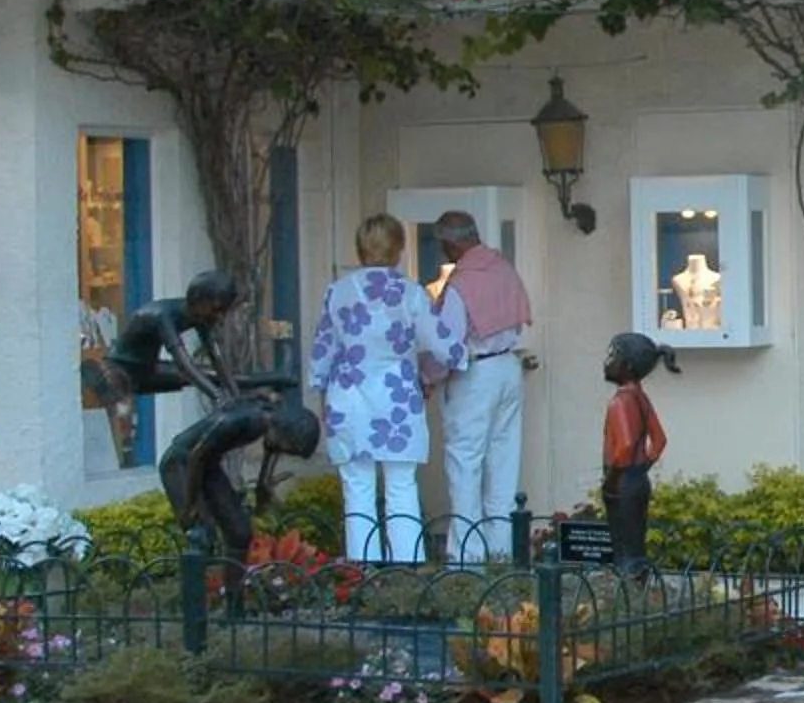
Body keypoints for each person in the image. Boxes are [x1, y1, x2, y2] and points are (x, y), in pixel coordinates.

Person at [309, 213, 462, 563]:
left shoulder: (339, 291)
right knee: (401, 485)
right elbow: (441, 341)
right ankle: (406, 569)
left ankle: (363, 570)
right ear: (398, 248)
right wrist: (462, 355)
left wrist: (318, 383)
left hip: (348, 397)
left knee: (357, 488)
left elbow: (323, 349)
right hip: (396, 398)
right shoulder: (408, 293)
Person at [428, 210, 532, 564]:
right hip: (508, 366)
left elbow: (447, 344)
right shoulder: (504, 268)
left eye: (442, 244)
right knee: (504, 462)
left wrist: (426, 378)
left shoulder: (461, 283)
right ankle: (501, 550)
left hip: (475, 373)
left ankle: (467, 556)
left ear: (451, 241)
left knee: (465, 462)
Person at [160, 389, 321, 562]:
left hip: (208, 464)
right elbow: (196, 455)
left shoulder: (271, 423)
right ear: (285, 431)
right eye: (287, 447)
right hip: (181, 463)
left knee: (240, 533)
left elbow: (271, 450)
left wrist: (262, 487)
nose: (283, 451)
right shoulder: (240, 420)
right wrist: (190, 504)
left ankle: (233, 588)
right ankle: (193, 587)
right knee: (201, 534)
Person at [97, 270, 239, 408]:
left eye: (223, 311)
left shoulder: (199, 316)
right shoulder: (162, 316)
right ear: (199, 300)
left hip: (147, 368)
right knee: (121, 413)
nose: (220, 317)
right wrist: (218, 396)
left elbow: (216, 358)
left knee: (231, 377)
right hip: (120, 371)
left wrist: (236, 395)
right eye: (216, 309)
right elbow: (185, 365)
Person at [601, 332, 672, 572]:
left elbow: (626, 444)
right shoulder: (640, 397)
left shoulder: (619, 402)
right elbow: (659, 440)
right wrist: (642, 467)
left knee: (623, 552)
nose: (606, 362)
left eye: (612, 356)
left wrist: (613, 479)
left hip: (622, 482)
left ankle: (629, 596)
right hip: (638, 479)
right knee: (636, 548)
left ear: (627, 366)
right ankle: (640, 588)